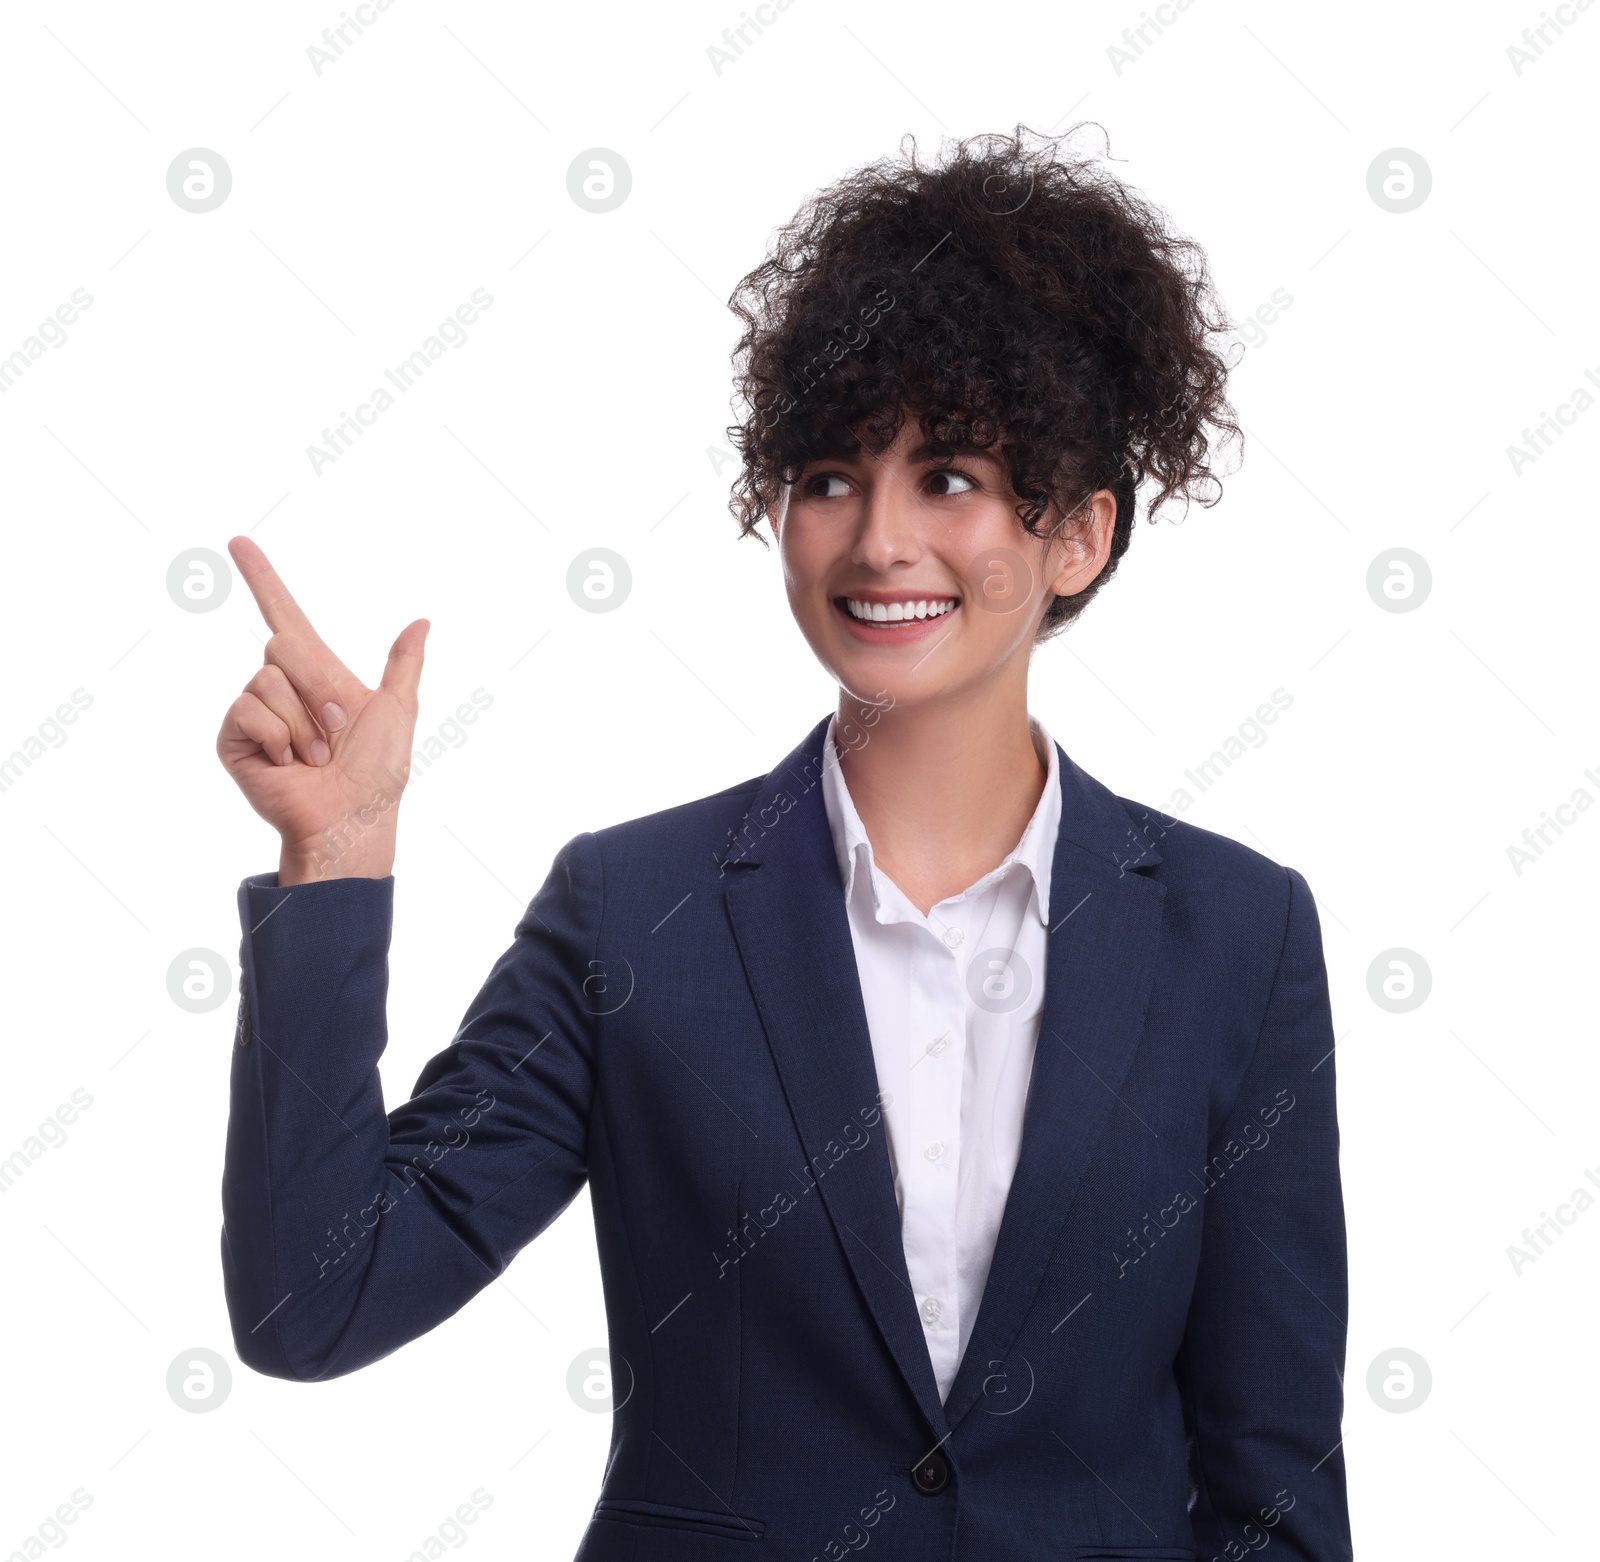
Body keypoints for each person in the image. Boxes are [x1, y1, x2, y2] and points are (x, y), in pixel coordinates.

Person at [217, 126, 1352, 1561]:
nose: (878, 539)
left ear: (1075, 532)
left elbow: (1275, 1496)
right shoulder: (632, 911)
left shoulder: (1237, 935)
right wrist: (341, 860)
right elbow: (317, 1302)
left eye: (949, 476)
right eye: (828, 477)